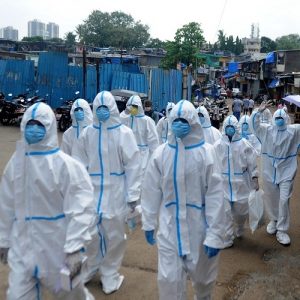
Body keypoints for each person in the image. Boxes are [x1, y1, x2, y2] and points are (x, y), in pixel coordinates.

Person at [0, 102, 96, 300]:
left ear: (50, 127)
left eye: (40, 125)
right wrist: (4, 239)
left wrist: (74, 247)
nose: (34, 129)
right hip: (22, 247)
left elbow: (81, 208)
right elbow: (6, 203)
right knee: (17, 295)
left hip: (57, 249)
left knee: (70, 295)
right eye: (30, 124)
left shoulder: (66, 166)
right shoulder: (16, 163)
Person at [142, 100, 225, 300]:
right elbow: (151, 190)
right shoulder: (161, 154)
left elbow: (215, 195)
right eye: (175, 120)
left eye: (184, 120)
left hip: (200, 228)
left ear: (194, 122)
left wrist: (215, 234)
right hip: (170, 228)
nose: (179, 124)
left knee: (203, 280)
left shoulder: (207, 153)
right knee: (168, 280)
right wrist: (148, 222)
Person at [72, 91, 141, 294]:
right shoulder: (87, 134)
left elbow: (133, 166)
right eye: (98, 108)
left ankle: (110, 273)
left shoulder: (124, 134)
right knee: (91, 233)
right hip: (92, 191)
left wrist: (132, 196)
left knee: (114, 235)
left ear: (112, 109)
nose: (101, 111)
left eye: (105, 108)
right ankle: (91, 266)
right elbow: (78, 162)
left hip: (115, 190)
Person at [250, 105, 300, 245]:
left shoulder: (294, 131)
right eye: (276, 118)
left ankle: (282, 230)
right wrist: (257, 112)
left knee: (284, 199)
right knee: (271, 197)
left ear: (285, 118)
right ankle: (274, 219)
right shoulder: (267, 130)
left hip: (287, 170)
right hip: (269, 169)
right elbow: (254, 125)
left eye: (281, 118)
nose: (278, 120)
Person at [214, 115, 259, 248]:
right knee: (225, 212)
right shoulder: (218, 145)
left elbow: (252, 164)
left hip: (241, 183)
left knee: (241, 212)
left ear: (236, 128)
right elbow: (213, 163)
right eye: (227, 127)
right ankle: (227, 238)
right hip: (223, 184)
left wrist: (255, 178)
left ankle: (240, 225)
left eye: (231, 127)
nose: (229, 130)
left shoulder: (245, 144)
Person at [120, 95, 159, 177]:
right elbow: (118, 121)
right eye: (130, 106)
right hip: (127, 153)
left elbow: (153, 141)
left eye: (134, 106)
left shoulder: (147, 121)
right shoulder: (127, 119)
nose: (132, 109)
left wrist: (154, 159)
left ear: (139, 107)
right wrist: (126, 112)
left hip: (142, 156)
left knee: (140, 178)